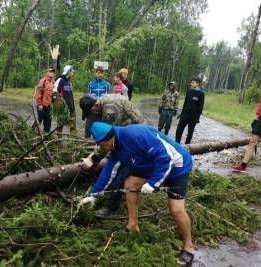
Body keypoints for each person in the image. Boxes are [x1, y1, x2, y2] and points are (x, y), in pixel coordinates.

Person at [79, 122, 195, 266]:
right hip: (151, 166)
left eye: (102, 145)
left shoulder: (136, 134)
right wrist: (94, 194)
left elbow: (166, 157)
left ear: (110, 138)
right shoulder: (115, 148)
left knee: (176, 209)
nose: (102, 148)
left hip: (178, 166)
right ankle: (133, 225)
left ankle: (188, 247)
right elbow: (108, 171)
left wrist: (153, 184)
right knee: (130, 184)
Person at [79, 94, 145, 216]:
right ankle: (97, 194)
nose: (93, 116)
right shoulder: (102, 103)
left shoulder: (111, 111)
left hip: (138, 142)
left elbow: (107, 140)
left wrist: (95, 158)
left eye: (92, 112)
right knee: (111, 166)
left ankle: (110, 206)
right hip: (127, 134)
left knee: (122, 174)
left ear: (96, 105)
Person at [175, 78, 205, 144]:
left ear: (197, 83)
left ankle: (187, 146)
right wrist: (181, 113)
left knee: (190, 133)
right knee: (179, 130)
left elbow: (200, 107)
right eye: (191, 82)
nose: (191, 84)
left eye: (193, 82)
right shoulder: (189, 91)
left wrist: (197, 118)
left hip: (193, 116)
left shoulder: (201, 93)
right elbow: (185, 103)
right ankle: (177, 144)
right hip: (185, 114)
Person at [53, 65, 77, 134]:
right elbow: (54, 90)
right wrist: (57, 101)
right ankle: (58, 140)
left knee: (73, 125)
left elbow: (70, 94)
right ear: (69, 72)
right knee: (60, 124)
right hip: (63, 108)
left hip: (71, 107)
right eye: (72, 71)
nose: (73, 72)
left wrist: (73, 104)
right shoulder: (60, 80)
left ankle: (73, 140)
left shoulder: (69, 81)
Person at [33, 68, 55, 133]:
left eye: (53, 72)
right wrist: (39, 104)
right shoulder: (43, 81)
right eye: (50, 71)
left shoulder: (53, 82)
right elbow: (38, 93)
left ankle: (46, 135)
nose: (52, 73)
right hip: (42, 106)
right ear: (47, 73)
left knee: (48, 121)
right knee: (39, 120)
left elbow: (54, 93)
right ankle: (32, 132)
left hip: (49, 106)